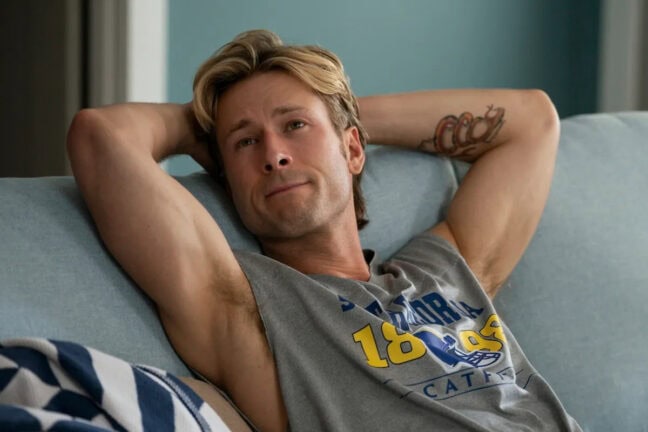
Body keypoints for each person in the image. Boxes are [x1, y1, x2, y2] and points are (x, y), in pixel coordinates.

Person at [67, 30, 581, 431]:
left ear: (354, 149)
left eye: (294, 126)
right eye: (245, 143)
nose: (274, 154)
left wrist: (338, 111)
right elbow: (99, 135)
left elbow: (533, 121)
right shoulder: (245, 306)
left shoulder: (443, 269)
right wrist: (205, 125)